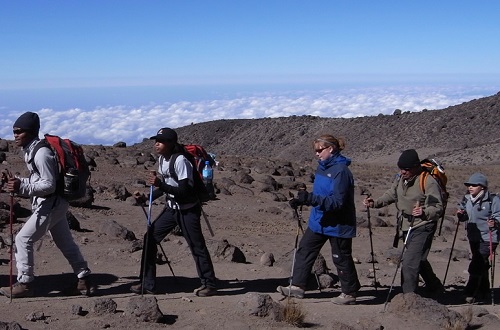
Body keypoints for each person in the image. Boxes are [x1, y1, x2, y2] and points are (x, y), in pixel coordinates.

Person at [0, 112, 92, 299]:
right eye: (14, 131)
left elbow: (48, 185)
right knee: (65, 243)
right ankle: (84, 280)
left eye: (19, 132)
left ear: (32, 132)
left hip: (51, 204)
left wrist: (21, 187)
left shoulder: (41, 153)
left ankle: (25, 283)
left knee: (22, 239)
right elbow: (38, 179)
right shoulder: (33, 150)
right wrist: (16, 181)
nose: (15, 135)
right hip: (54, 204)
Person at [130, 127, 217, 296]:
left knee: (196, 246)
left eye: (160, 142)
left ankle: (209, 284)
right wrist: (148, 197)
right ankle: (147, 283)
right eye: (156, 141)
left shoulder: (181, 161)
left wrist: (159, 184)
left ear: (170, 143)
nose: (156, 144)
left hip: (188, 210)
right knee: (150, 239)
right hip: (172, 208)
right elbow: (167, 187)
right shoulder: (163, 160)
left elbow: (183, 191)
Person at [277, 134, 360, 305]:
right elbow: (320, 194)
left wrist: (310, 199)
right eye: (315, 150)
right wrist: (303, 199)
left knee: (341, 257)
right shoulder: (322, 168)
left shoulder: (341, 171)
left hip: (338, 223)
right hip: (319, 220)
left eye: (319, 150)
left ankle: (349, 293)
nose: (316, 154)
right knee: (305, 250)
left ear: (331, 149)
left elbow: (337, 202)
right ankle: (298, 286)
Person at [364, 149, 444, 295]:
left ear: (415, 167)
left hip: (423, 225)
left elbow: (438, 207)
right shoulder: (401, 179)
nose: (402, 172)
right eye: (400, 169)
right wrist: (375, 203)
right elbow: (391, 194)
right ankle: (435, 286)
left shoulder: (427, 181)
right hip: (407, 225)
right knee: (418, 259)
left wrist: (424, 211)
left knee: (409, 263)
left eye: (406, 169)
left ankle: (408, 299)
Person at [457, 172, 499, 303]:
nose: (470, 187)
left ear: (482, 187)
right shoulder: (466, 199)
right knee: (482, 263)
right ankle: (484, 291)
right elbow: (464, 214)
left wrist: (495, 222)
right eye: (469, 185)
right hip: (473, 236)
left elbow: (498, 215)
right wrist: (461, 215)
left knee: (476, 264)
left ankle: (469, 293)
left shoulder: (493, 200)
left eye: (474, 185)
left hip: (489, 237)